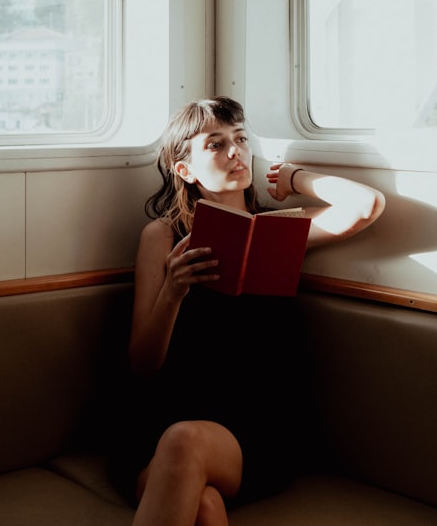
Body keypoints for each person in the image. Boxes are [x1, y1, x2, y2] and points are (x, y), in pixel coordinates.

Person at [107, 96, 385, 526]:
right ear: (185, 170)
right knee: (205, 506)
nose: (235, 152)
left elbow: (367, 206)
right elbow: (142, 364)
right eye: (215, 145)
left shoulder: (281, 228)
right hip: (164, 418)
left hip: (255, 427)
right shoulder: (162, 238)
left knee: (184, 442)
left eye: (240, 139)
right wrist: (173, 293)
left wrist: (294, 176)